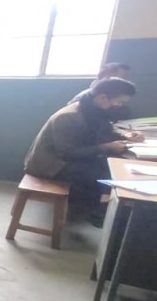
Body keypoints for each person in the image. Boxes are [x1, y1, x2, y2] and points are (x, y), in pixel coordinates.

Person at [25, 78, 142, 226]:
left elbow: (103, 132)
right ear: (103, 97)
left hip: (67, 158)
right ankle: (94, 212)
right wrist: (106, 147)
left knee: (109, 168)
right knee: (100, 174)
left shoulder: (93, 110)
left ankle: (94, 210)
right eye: (119, 101)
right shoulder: (68, 116)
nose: (119, 106)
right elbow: (67, 153)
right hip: (50, 164)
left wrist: (125, 136)